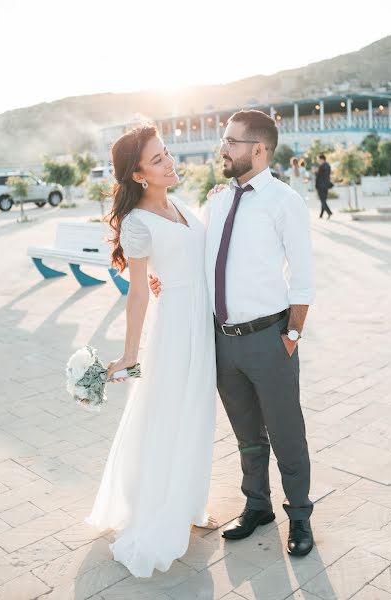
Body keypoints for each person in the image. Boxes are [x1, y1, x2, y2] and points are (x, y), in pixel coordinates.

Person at [150, 109, 315, 557]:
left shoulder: (285, 201)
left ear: (258, 150)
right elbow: (201, 257)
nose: (222, 148)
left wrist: (291, 338)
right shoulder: (217, 198)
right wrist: (162, 276)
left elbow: (303, 278)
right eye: (224, 140)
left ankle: (299, 515)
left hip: (270, 339)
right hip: (222, 340)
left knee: (286, 433)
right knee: (246, 434)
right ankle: (257, 506)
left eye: (231, 141)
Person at [84, 120, 218, 578]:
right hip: (177, 325)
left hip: (202, 319)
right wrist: (131, 354)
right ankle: (159, 510)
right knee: (169, 413)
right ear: (139, 174)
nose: (169, 161)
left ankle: (186, 498)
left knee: (197, 411)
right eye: (157, 159)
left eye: (167, 153)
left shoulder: (178, 202)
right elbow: (137, 291)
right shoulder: (138, 223)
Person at [315, 153, 333, 218]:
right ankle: (321, 214)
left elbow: (319, 176)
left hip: (321, 186)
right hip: (326, 185)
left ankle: (329, 212)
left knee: (322, 200)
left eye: (319, 160)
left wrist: (316, 172)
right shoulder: (328, 166)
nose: (318, 161)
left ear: (322, 159)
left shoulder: (322, 166)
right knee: (323, 200)